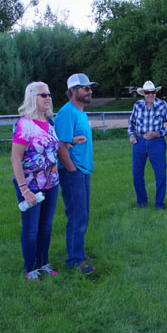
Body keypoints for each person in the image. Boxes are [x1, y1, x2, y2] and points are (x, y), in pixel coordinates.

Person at [11, 82, 62, 281]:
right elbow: (16, 158)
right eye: (43, 95)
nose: (48, 98)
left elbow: (51, 149)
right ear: (33, 97)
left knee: (46, 226)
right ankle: (31, 268)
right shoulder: (24, 124)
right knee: (31, 228)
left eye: (49, 94)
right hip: (31, 185)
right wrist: (24, 190)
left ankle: (43, 262)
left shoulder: (49, 122)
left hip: (51, 183)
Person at [55, 73, 98, 274]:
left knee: (83, 214)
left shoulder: (80, 112)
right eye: (86, 88)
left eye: (90, 88)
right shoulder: (67, 113)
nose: (90, 91)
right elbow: (61, 147)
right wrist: (72, 171)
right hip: (74, 172)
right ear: (73, 91)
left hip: (83, 171)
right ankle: (75, 260)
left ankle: (78, 252)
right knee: (77, 216)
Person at [127, 81, 167, 210]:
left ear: (156, 93)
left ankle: (159, 205)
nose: (151, 95)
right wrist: (131, 136)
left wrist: (158, 134)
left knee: (160, 175)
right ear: (143, 94)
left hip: (156, 142)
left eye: (153, 92)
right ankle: (141, 203)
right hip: (139, 142)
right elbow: (131, 123)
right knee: (137, 174)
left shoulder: (162, 105)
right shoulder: (137, 105)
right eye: (148, 92)